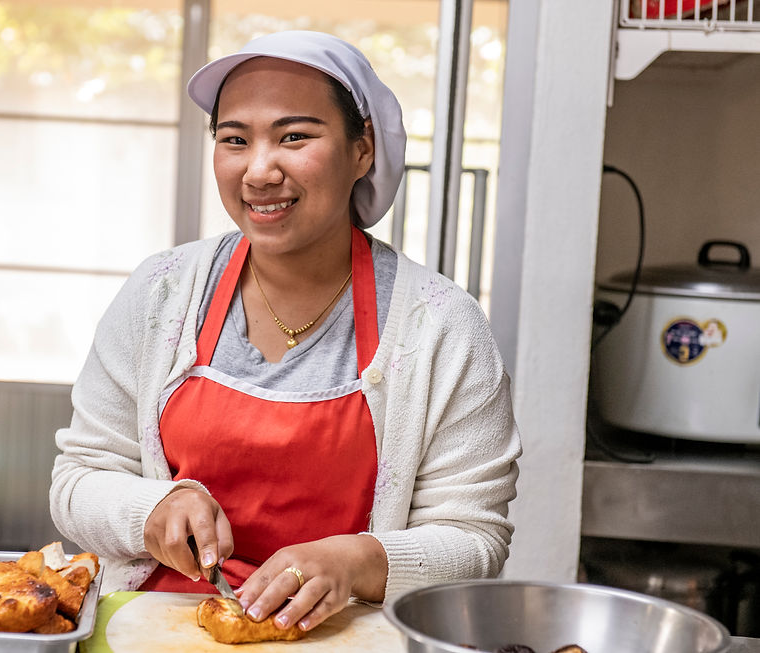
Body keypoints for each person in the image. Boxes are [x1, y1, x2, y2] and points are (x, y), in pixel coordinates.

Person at [50, 30, 520, 633]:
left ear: (362, 150)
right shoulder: (160, 294)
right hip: (155, 629)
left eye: (294, 136)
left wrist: (358, 560)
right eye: (234, 140)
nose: (260, 170)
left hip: (350, 638)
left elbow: (476, 540)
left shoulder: (441, 329)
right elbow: (78, 479)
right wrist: (151, 507)